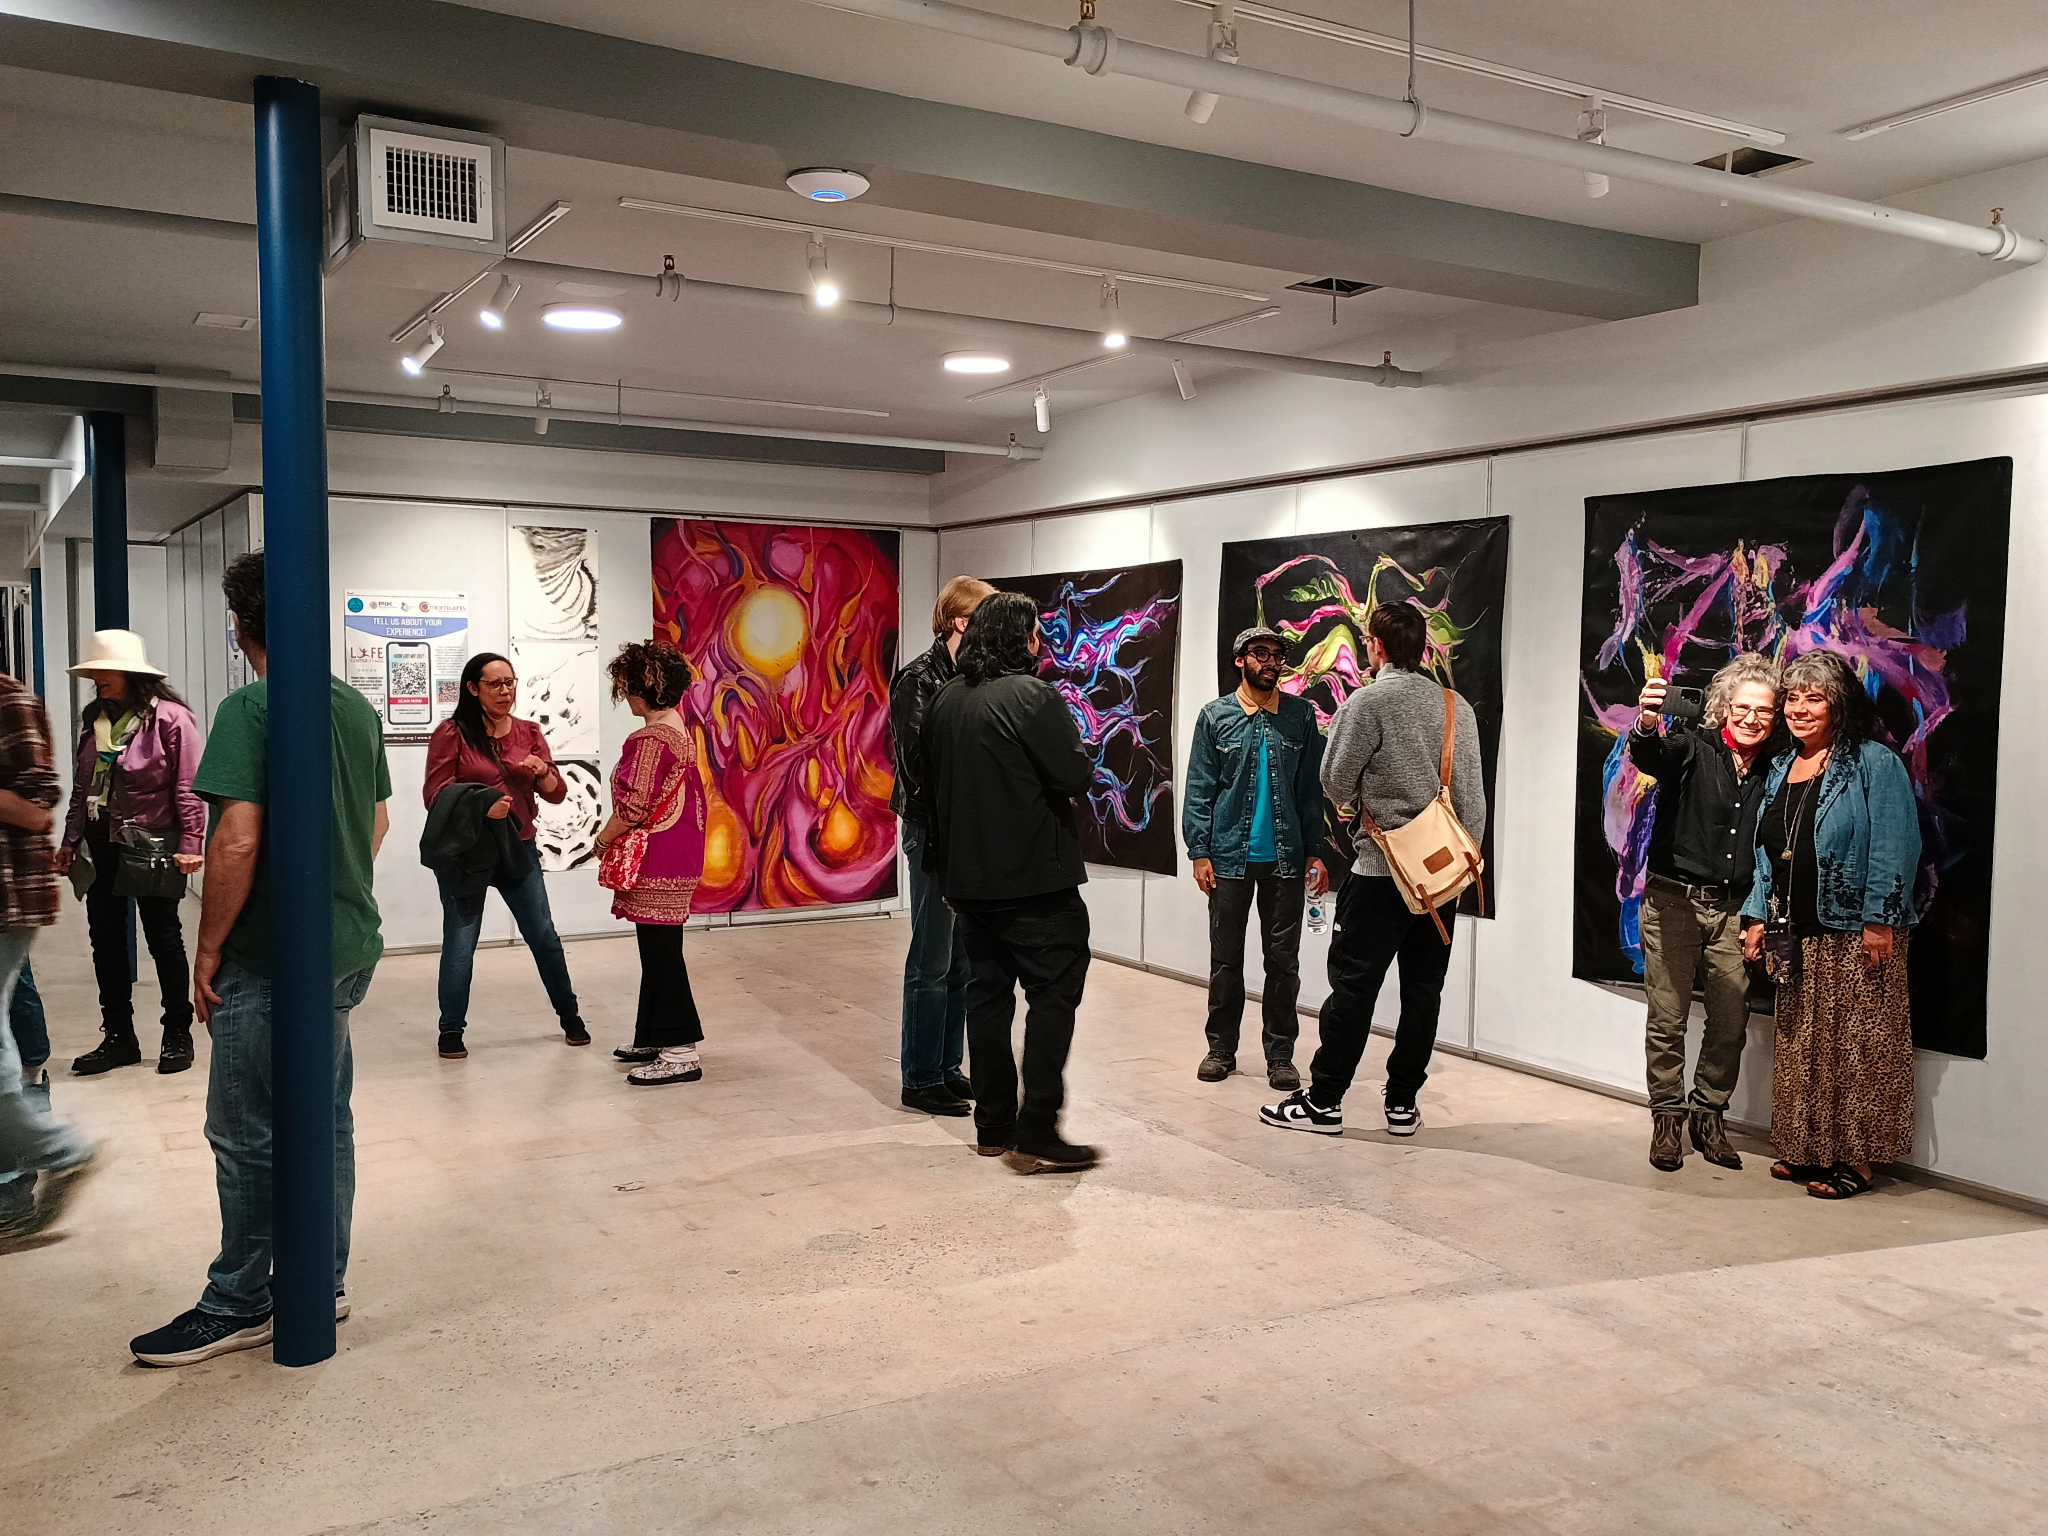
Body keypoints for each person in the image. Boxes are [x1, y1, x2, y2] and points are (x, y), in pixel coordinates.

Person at [130, 551, 391, 1367]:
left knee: (244, 1129)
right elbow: (378, 823)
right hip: (346, 946)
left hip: (273, 958)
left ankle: (240, 1302)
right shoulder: (352, 706)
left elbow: (236, 840)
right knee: (327, 1120)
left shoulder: (251, 707)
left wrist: (207, 948)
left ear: (240, 626)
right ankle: (322, 1280)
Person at [1260, 602, 1484, 1139]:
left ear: (1377, 646)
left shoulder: (1367, 702)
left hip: (1380, 873)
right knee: (1423, 992)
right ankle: (1402, 1103)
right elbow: (1473, 801)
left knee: (1353, 989)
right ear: (1421, 647)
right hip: (1439, 880)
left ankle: (1325, 1101)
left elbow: (1335, 783)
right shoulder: (1456, 706)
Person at [922, 590, 1098, 1174]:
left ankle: (993, 1125)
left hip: (969, 884)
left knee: (987, 1000)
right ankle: (1038, 1127)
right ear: (1019, 638)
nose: (1039, 642)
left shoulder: (946, 698)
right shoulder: (1031, 696)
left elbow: (930, 792)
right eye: (1034, 632)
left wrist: (944, 871)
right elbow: (1073, 775)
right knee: (1053, 997)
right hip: (1034, 881)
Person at [1740, 649, 1921, 1202]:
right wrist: (1756, 914)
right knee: (1802, 1044)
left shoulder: (1873, 763)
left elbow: (1895, 845)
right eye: (1792, 698)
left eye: (1813, 698)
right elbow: (1767, 854)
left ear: (1838, 705)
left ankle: (1857, 1162)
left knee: (1857, 1048)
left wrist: (1880, 921)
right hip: (1794, 932)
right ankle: (1808, 1147)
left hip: (1855, 931)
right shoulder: (1780, 766)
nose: (1798, 709)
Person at [1627, 655, 1781, 1172]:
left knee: (1731, 1021)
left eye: (1764, 710)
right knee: (1667, 1020)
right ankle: (1667, 1119)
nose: (1752, 718)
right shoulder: (1692, 746)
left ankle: (1709, 1115)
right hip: (1672, 902)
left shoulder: (1776, 766)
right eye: (1743, 707)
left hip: (1736, 909)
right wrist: (1648, 719)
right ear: (1724, 707)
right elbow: (1651, 753)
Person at [1183, 624, 1329, 1090]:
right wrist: (1199, 851)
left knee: (1283, 963)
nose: (1270, 662)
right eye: (1260, 653)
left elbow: (1310, 792)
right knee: (1226, 961)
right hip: (1228, 858)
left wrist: (1315, 852)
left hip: (1286, 859)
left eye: (1277, 654)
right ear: (1239, 660)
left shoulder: (1300, 716)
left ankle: (1280, 1055)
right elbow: (1200, 788)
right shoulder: (1216, 716)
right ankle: (1221, 1050)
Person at [421, 652, 586, 1059]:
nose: (504, 691)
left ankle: (570, 1016)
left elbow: (557, 794)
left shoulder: (529, 731)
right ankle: (450, 1030)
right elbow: (435, 795)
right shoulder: (452, 733)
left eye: (509, 682)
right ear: (472, 688)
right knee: (461, 940)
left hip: (518, 844)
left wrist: (543, 772)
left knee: (543, 936)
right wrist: (482, 805)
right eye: (494, 683)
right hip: (467, 852)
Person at [55, 630, 205, 1076]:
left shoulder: (171, 719)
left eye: (104, 671)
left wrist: (192, 842)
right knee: (105, 940)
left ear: (129, 673)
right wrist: (70, 841)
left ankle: (177, 1033)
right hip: (100, 843)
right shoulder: (95, 721)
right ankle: (119, 1037)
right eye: (94, 673)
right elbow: (83, 788)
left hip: (152, 844)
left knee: (163, 937)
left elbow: (188, 785)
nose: (97, 679)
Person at [889, 575, 995, 1117]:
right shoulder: (918, 679)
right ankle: (921, 1077)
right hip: (933, 831)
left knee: (960, 961)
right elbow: (917, 769)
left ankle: (948, 1067)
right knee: (931, 959)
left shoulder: (971, 678)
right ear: (960, 621)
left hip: (965, 832)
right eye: (986, 617)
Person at [0, 672, 99, 1240]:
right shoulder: (94, 721)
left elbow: (41, 808)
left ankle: (52, 1153)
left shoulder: (10, 701)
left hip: (8, 899)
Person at [594, 641, 708, 1087]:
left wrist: (603, 839)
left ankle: (680, 1050)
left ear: (642, 690)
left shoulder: (649, 739)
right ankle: (653, 1035)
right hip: (680, 849)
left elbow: (634, 804)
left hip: (656, 855)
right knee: (659, 948)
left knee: (660, 953)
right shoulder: (678, 728)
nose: (625, 695)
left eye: (627, 687)